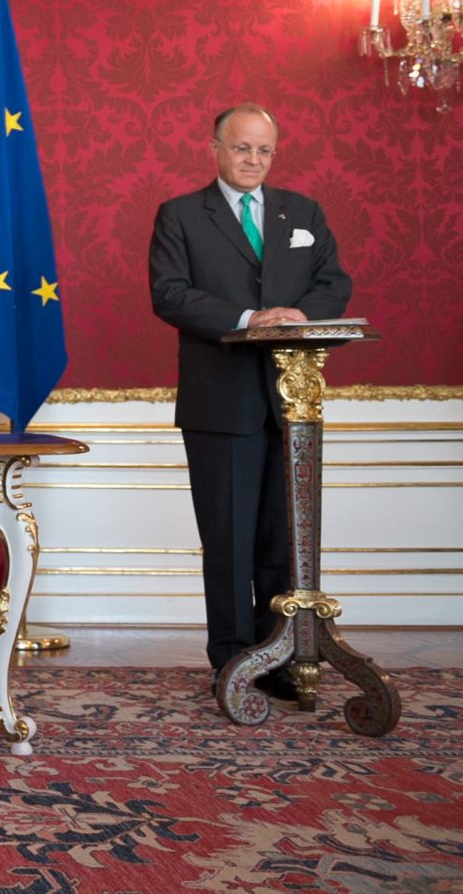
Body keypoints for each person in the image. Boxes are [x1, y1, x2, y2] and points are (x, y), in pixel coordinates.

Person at [148, 103, 351, 701]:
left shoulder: (303, 211)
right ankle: (233, 659)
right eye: (242, 148)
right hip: (221, 402)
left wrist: (299, 317)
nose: (253, 160)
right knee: (229, 540)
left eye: (264, 150)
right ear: (214, 147)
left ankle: (283, 656)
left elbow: (334, 281)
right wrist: (247, 318)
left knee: (282, 540)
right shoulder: (181, 215)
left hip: (293, 405)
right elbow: (170, 294)